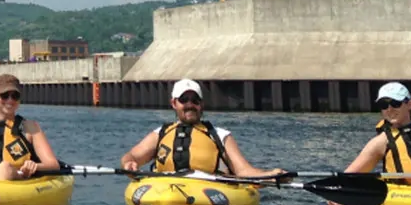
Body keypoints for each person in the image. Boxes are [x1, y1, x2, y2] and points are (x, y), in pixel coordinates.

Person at [119, 79, 286, 178]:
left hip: (208, 191)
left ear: (202, 104)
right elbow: (133, 155)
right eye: (184, 99)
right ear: (174, 103)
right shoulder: (161, 133)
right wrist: (129, 163)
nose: (190, 105)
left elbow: (243, 171)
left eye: (195, 100)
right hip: (166, 189)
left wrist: (271, 175)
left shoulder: (220, 135)